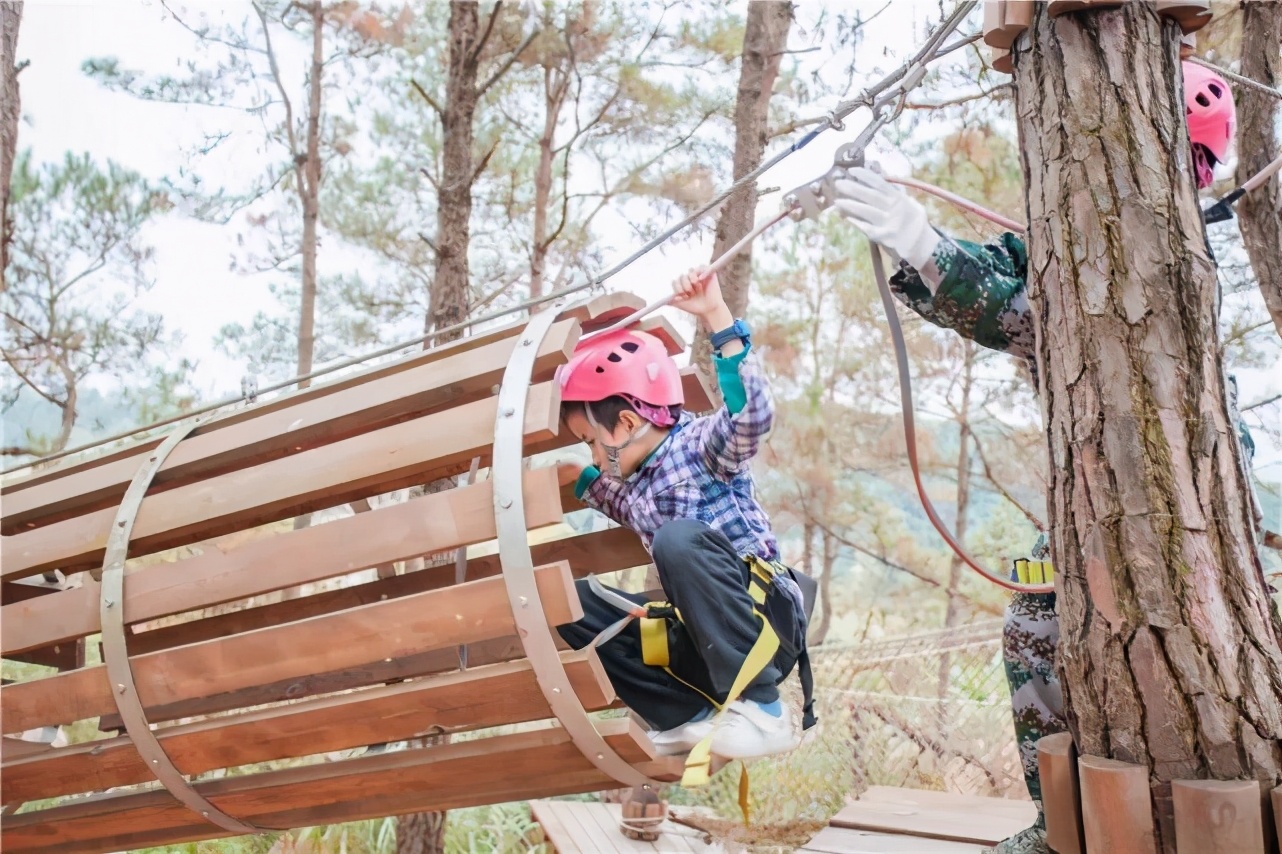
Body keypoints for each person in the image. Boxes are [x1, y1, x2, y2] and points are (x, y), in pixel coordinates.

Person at [831, 61, 1243, 854]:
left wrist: (925, 247)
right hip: (1110, 485)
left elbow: (1066, 324)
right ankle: (1062, 826)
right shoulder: (1070, 237)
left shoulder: (1180, 256)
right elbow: (1013, 276)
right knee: (1038, 620)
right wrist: (924, 242)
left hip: (1190, 485)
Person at [555, 268, 816, 763]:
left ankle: (764, 712)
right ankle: (684, 715)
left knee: (676, 539)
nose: (592, 454)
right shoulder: (634, 485)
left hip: (762, 624)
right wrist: (581, 478)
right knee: (573, 601)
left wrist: (717, 316)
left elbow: (751, 417)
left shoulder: (700, 447)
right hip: (703, 642)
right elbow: (618, 500)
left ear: (629, 422)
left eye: (590, 441)